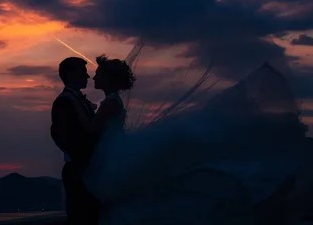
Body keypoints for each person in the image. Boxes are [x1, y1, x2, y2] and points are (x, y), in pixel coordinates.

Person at [82, 53, 313, 225]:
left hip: (111, 150)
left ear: (108, 79)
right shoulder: (113, 102)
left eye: (98, 74)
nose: (94, 76)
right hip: (114, 148)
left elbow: (91, 131)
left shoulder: (109, 103)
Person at [50, 56, 120, 225]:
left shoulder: (80, 100)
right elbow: (62, 136)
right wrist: (85, 161)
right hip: (80, 169)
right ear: (70, 74)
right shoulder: (63, 102)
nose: (88, 77)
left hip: (89, 168)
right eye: (83, 72)